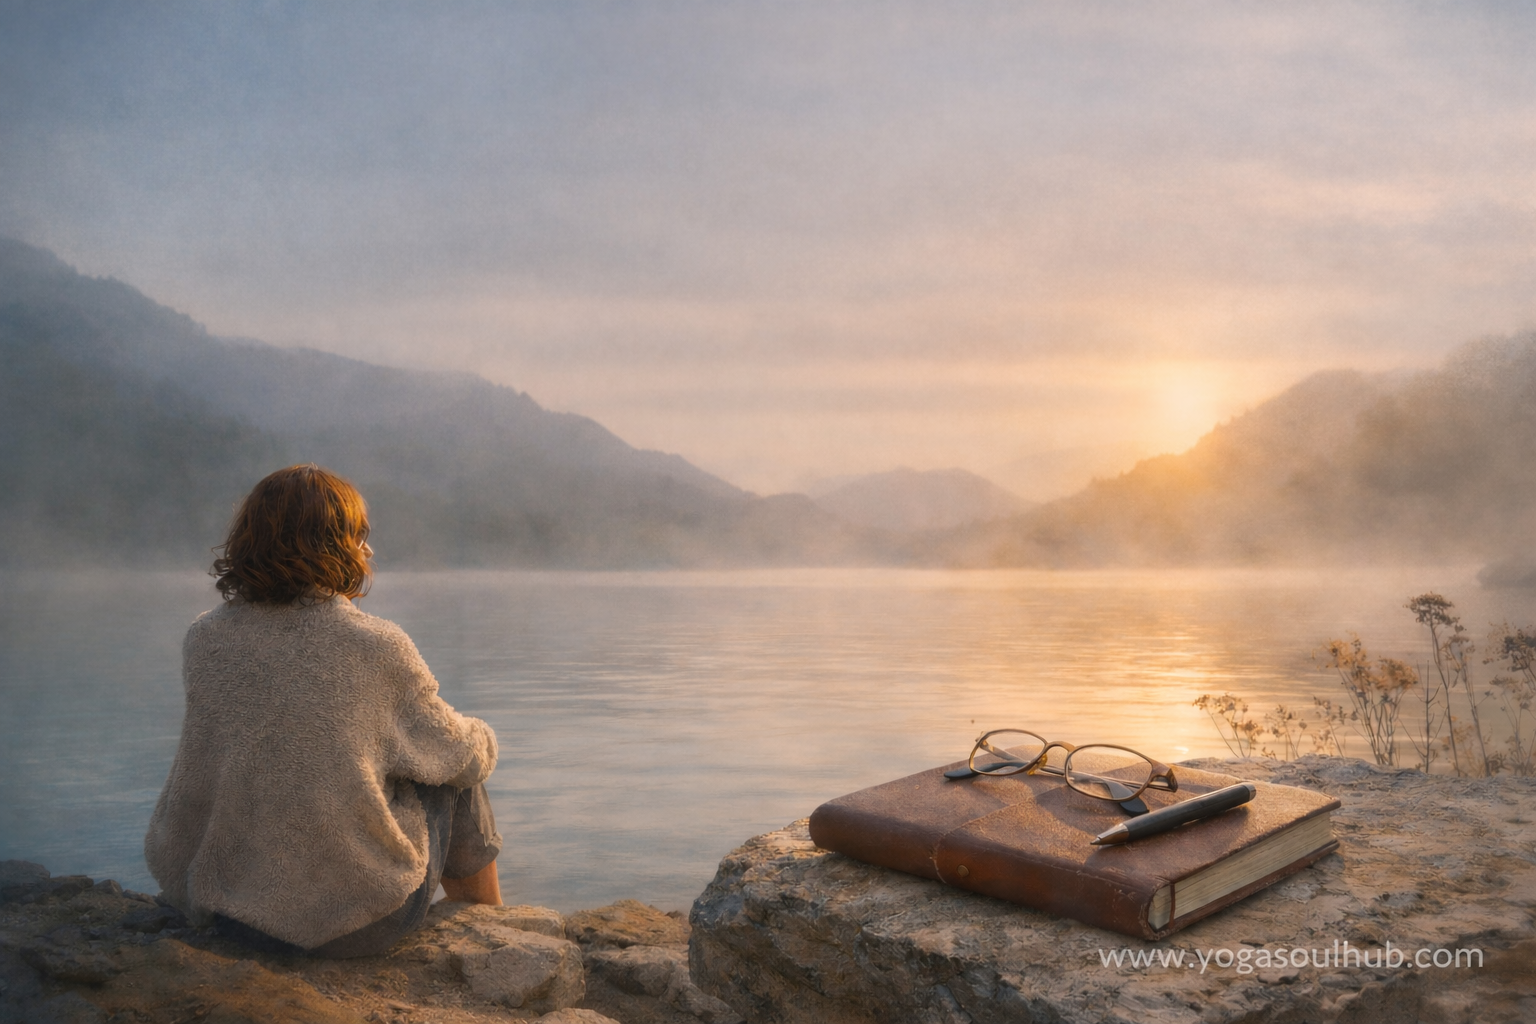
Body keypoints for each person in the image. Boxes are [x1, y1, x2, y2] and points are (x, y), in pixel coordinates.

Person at [144, 465, 503, 957]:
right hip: (357, 923)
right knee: (456, 760)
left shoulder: (205, 639)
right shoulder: (375, 646)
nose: (369, 552)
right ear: (329, 545)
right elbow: (459, 755)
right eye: (359, 537)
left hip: (230, 914)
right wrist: (482, 736)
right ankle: (496, 931)